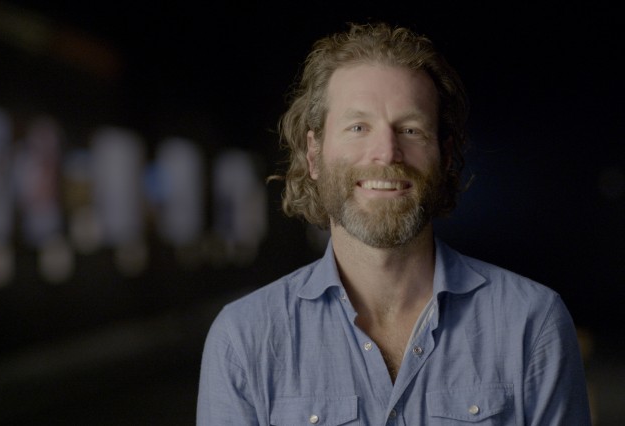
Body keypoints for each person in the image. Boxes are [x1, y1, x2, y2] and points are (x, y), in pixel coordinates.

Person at [197, 22, 591, 425]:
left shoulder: (531, 322)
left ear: (444, 153)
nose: (386, 152)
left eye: (410, 129)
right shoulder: (244, 339)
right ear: (314, 155)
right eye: (357, 127)